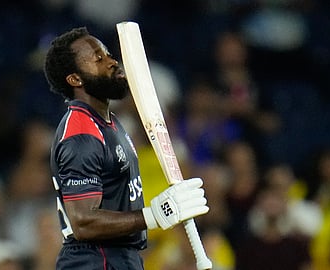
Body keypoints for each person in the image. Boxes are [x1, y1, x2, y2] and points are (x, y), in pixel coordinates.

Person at [43, 26, 209, 270]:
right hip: (94, 261)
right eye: (98, 58)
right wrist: (153, 215)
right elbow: (83, 221)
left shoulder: (110, 124)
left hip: (120, 258)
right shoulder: (81, 132)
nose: (111, 61)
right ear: (75, 79)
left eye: (108, 54)